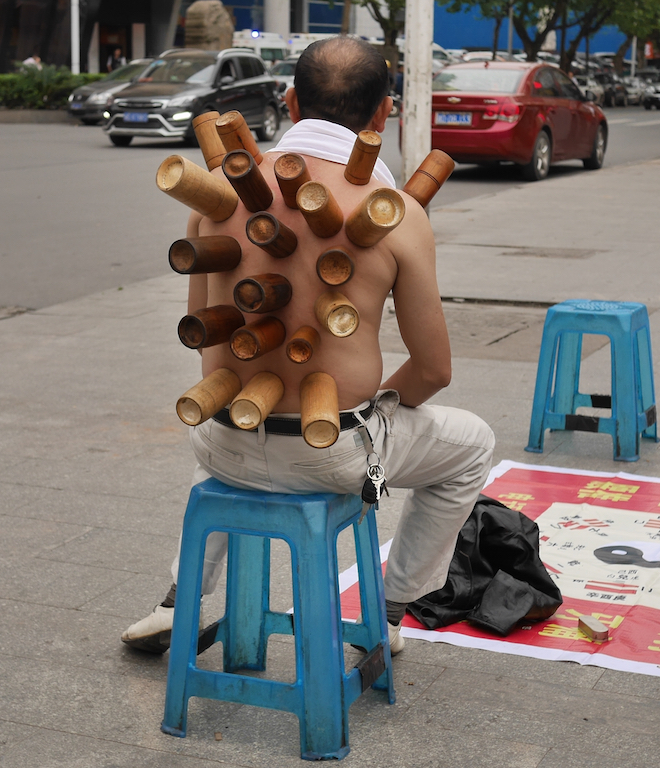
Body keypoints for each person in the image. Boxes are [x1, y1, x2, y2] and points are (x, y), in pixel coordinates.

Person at [122, 36, 495, 656]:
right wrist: (375, 407)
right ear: (384, 113)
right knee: (473, 445)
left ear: (291, 102)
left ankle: (176, 601)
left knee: (235, 407)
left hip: (222, 441)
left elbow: (207, 341)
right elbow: (433, 370)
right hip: (334, 451)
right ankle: (390, 611)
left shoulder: (213, 197)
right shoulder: (399, 212)